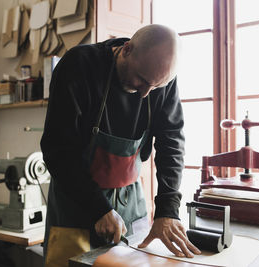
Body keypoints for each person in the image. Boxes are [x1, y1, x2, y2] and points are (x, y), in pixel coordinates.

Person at [40, 24, 201, 264]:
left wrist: (167, 209)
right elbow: (58, 150)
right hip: (76, 202)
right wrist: (98, 208)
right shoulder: (79, 66)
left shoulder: (161, 81)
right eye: (142, 80)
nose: (146, 93)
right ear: (126, 50)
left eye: (155, 87)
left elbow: (172, 142)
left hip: (130, 202)